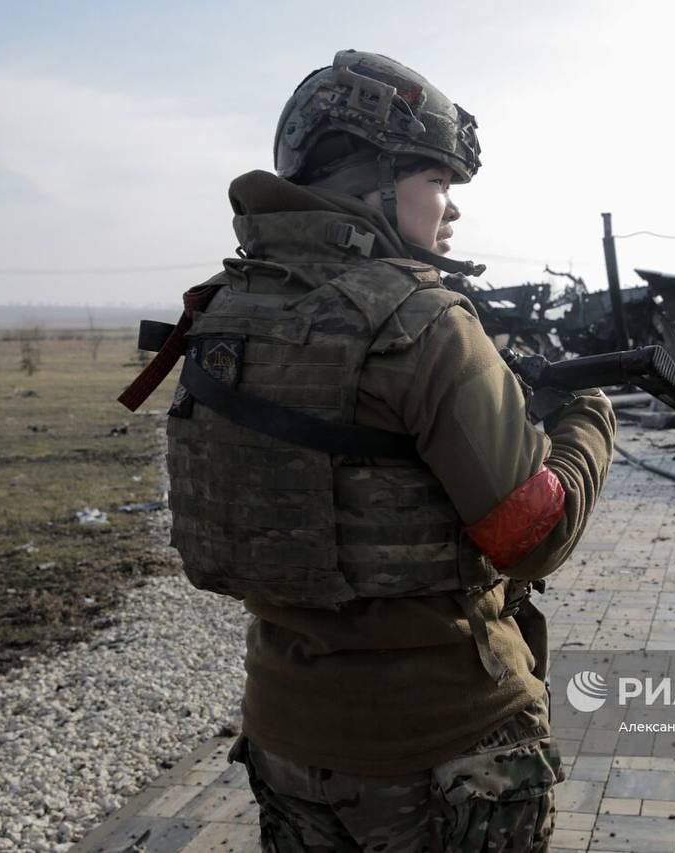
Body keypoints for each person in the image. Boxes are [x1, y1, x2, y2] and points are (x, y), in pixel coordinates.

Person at [152, 50, 616, 850]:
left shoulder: (226, 309)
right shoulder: (425, 322)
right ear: (375, 183)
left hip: (284, 736)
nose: (452, 210)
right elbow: (532, 536)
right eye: (437, 181)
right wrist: (588, 422)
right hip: (440, 752)